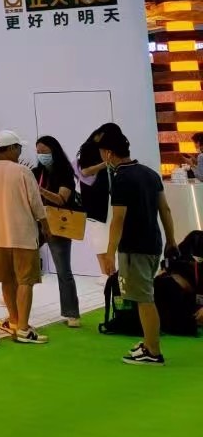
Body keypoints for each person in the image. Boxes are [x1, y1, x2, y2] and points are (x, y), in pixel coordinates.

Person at [99, 129, 178, 365]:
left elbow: (118, 219)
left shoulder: (121, 179)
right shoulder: (150, 174)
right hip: (153, 242)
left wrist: (109, 253)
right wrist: (171, 240)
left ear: (109, 153)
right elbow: (165, 210)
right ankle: (148, 342)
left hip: (134, 247)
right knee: (145, 294)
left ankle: (153, 351)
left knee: (144, 298)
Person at [0, 129, 49, 345]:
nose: (20, 152)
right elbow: (36, 204)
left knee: (7, 280)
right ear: (12, 148)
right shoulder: (22, 172)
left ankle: (14, 321)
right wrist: (46, 227)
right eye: (19, 148)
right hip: (23, 235)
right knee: (25, 281)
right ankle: (23, 328)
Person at [33, 135, 81, 328]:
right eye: (38, 152)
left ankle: (72, 313)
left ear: (54, 151)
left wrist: (40, 191)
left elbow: (62, 199)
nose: (41, 155)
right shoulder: (37, 172)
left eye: (44, 151)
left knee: (63, 270)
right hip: (38, 222)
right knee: (22, 262)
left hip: (58, 224)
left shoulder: (64, 172)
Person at [77, 125, 117, 276]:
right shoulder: (89, 149)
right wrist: (104, 164)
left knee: (108, 239)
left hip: (109, 198)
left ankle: (111, 276)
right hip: (96, 202)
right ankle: (107, 275)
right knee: (100, 241)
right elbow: (84, 172)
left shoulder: (108, 149)